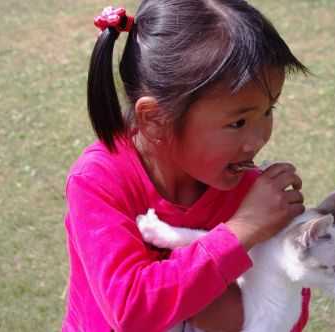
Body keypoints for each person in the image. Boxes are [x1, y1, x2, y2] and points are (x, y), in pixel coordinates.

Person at [62, 1, 309, 331]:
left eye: (268, 111)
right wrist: (244, 229)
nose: (258, 139)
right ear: (155, 119)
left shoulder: (251, 192)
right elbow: (132, 309)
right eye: (238, 122)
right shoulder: (98, 181)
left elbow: (290, 315)